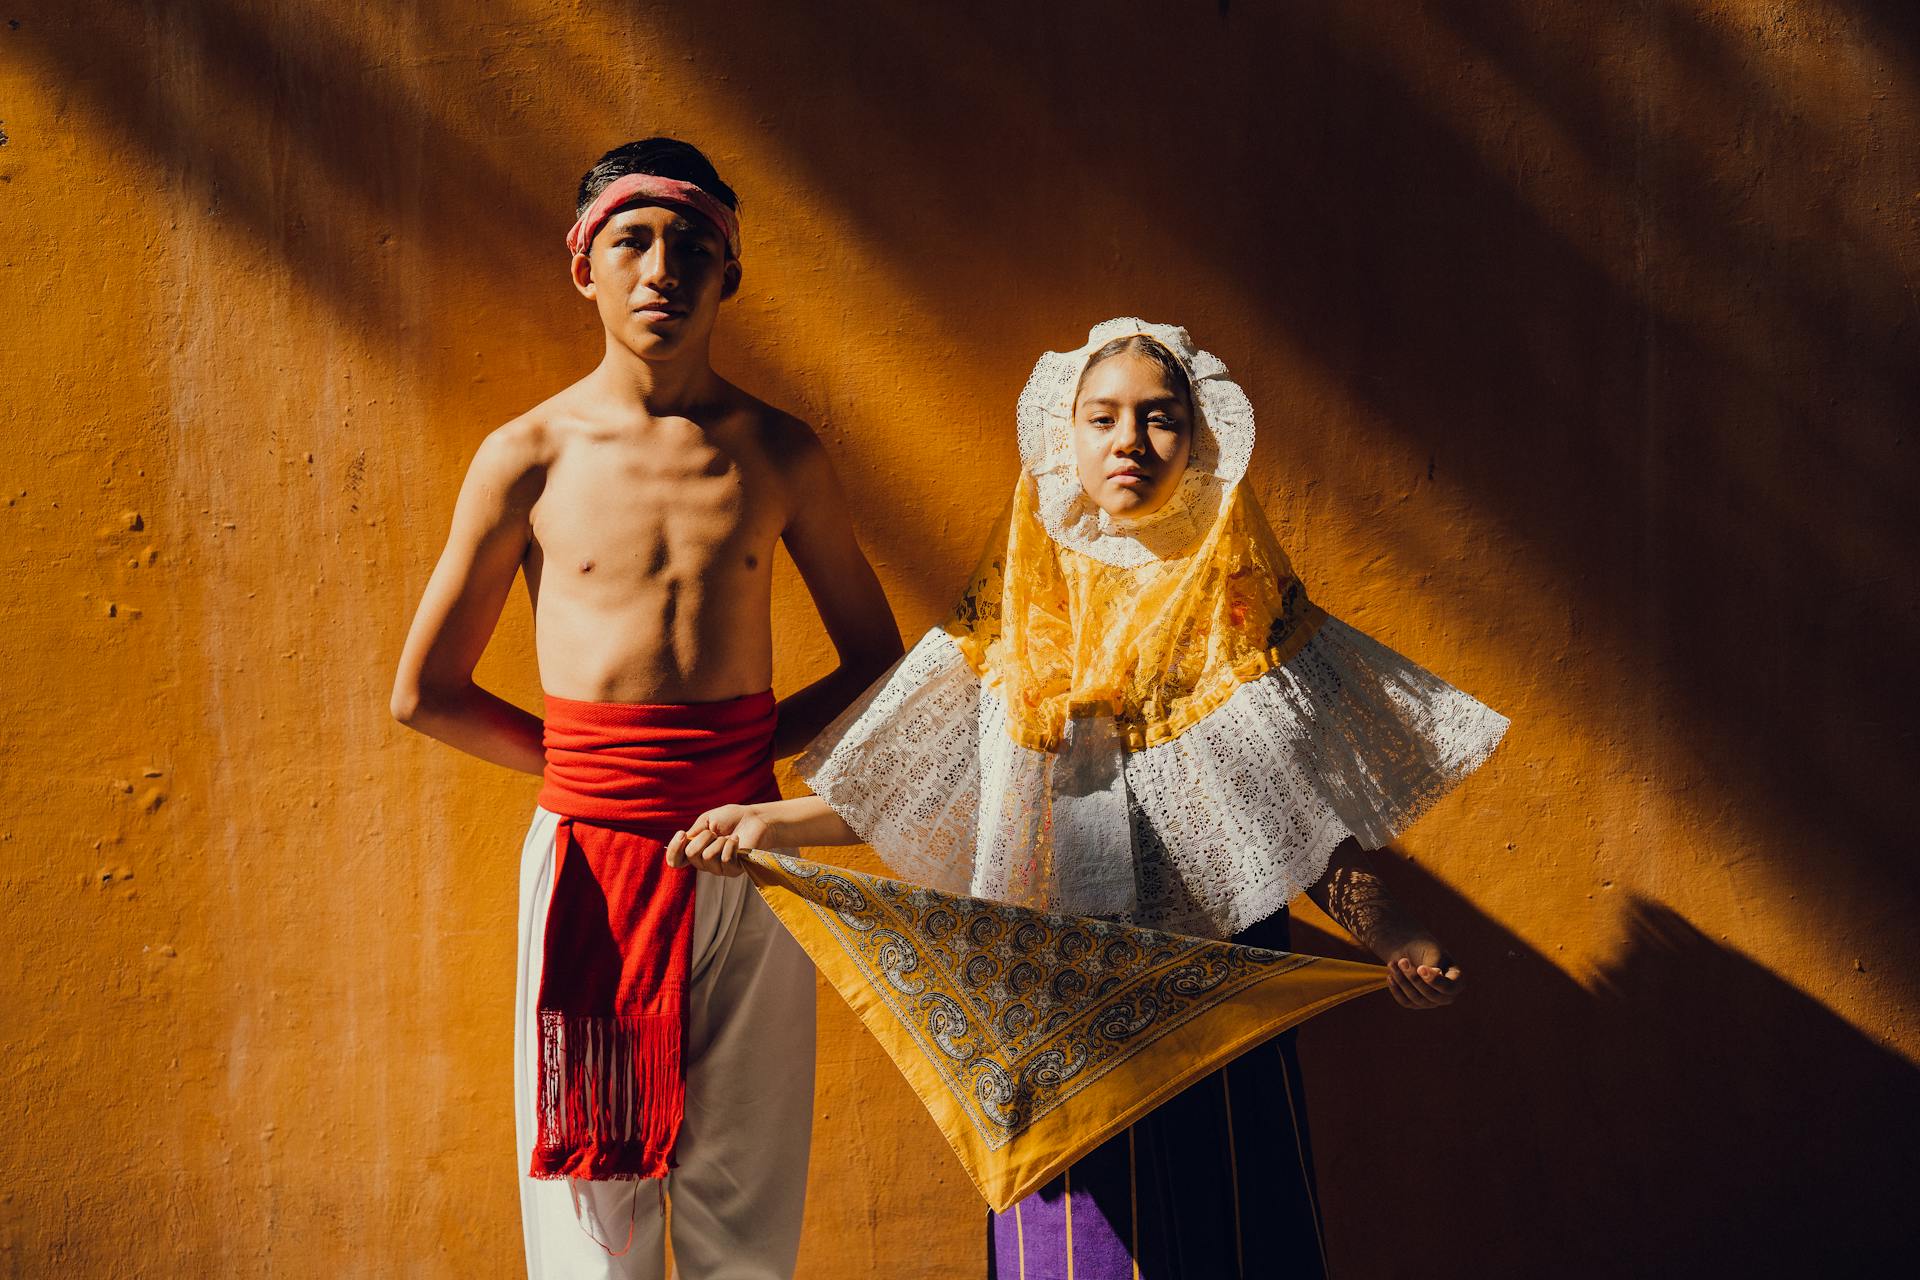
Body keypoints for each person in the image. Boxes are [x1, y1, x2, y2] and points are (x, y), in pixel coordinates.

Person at [669, 319, 1509, 1277]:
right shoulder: (1016, 603)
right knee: (1071, 1248)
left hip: (1215, 987)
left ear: (1200, 442)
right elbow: (931, 788)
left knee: (1231, 1227)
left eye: (1160, 420)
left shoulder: (1244, 605)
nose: (1131, 442)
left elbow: (1304, 825)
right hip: (1048, 992)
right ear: (1062, 438)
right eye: (1103, 418)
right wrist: (771, 822)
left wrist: (1394, 935)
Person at [389, 137, 902, 1280]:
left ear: (730, 273)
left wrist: (734, 757)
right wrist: (592, 770)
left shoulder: (779, 452)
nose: (661, 266)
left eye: (691, 244)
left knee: (745, 1210)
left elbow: (878, 660)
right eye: (632, 239)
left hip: (750, 856)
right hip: (590, 864)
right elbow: (423, 690)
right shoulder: (526, 455)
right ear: (585, 266)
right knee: (590, 1223)